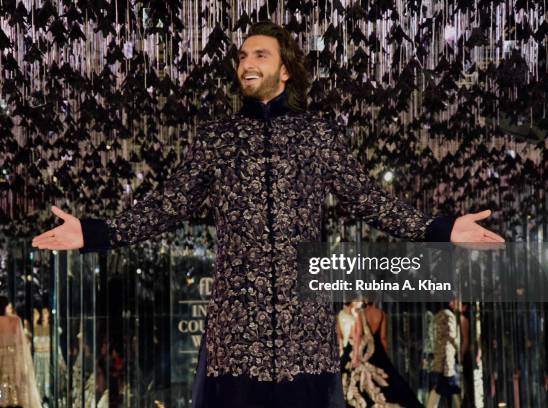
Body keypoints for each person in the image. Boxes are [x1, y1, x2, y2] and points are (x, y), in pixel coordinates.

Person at [31, 21, 504, 408]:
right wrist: (94, 232)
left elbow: (367, 199)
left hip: (304, 326)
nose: (247, 62)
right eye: (241, 56)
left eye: (260, 54)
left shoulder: (318, 133)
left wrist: (441, 227)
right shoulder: (218, 138)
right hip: (237, 325)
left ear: (286, 72)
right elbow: (167, 205)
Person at [427, 299, 463, 408]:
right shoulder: (448, 316)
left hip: (439, 359)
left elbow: (433, 339)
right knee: (451, 387)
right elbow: (453, 338)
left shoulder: (436, 317)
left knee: (440, 388)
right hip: (446, 360)